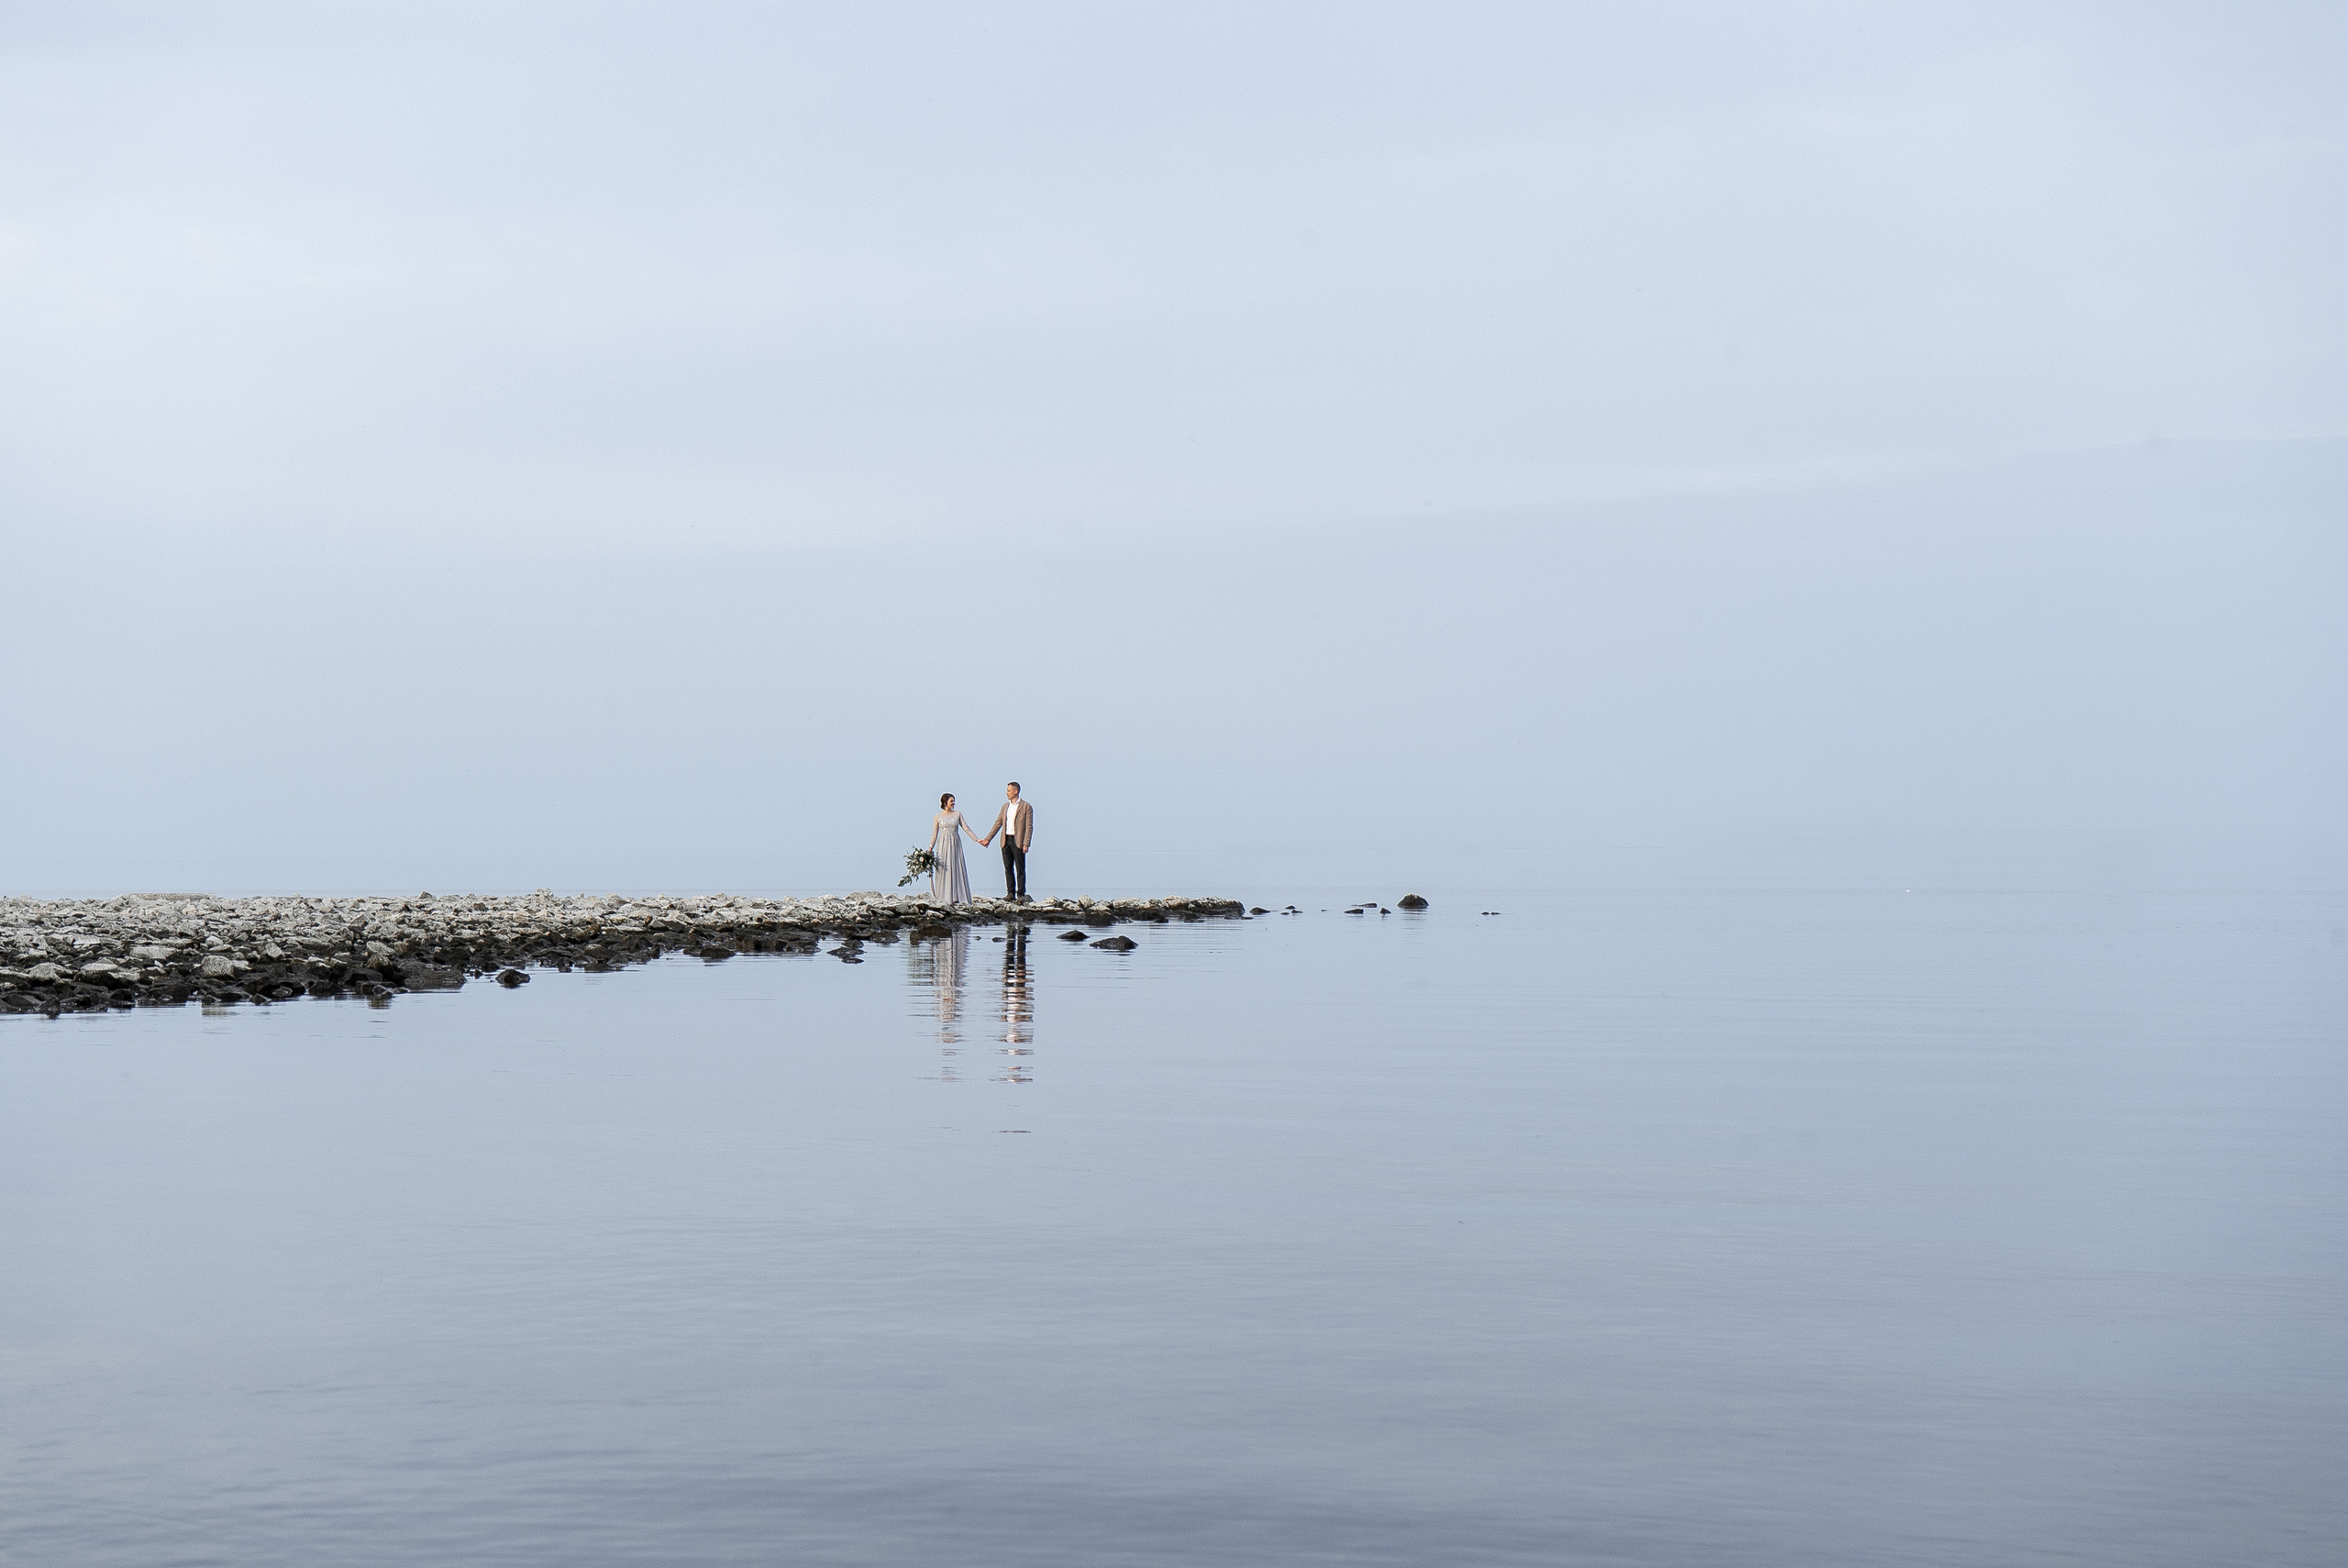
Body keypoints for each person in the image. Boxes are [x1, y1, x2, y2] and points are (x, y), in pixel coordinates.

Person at [979, 781, 1034, 901]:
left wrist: (1026, 843)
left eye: (1009, 791)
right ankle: (1010, 893)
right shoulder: (1005, 807)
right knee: (1008, 868)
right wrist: (988, 839)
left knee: (1020, 868)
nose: (1007, 793)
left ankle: (1021, 894)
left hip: (1018, 841)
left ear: (1015, 791)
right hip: (1006, 840)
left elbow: (1029, 826)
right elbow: (998, 823)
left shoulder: (1026, 806)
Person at [927, 793, 983, 905]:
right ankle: (944, 895)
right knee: (944, 868)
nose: (953, 803)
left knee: (956, 866)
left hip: (954, 843)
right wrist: (930, 847)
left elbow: (966, 828)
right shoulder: (938, 816)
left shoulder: (957, 814)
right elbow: (934, 833)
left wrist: (977, 839)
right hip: (943, 844)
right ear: (945, 803)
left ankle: (958, 895)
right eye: (951, 801)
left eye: (954, 801)